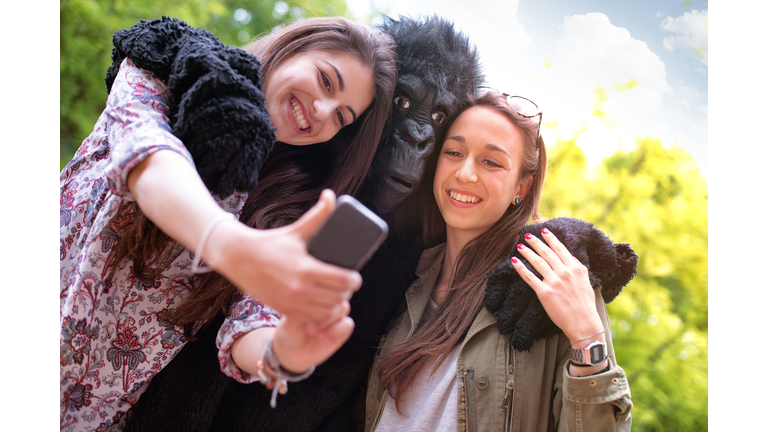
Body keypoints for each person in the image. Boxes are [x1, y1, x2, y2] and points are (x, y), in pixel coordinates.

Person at [59, 16, 397, 431]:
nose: (323, 112)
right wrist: (229, 243)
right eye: (326, 81)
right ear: (291, 47)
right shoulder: (175, 62)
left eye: (342, 118)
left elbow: (251, 324)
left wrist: (282, 352)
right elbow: (147, 156)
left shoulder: (285, 208)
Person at [358, 90, 632, 431]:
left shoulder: (552, 278)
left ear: (523, 186)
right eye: (454, 152)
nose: (466, 174)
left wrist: (588, 339)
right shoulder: (399, 277)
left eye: (491, 162)